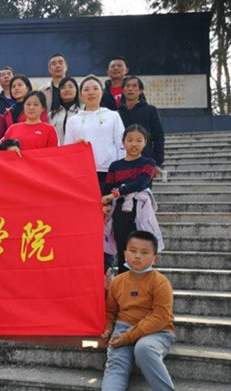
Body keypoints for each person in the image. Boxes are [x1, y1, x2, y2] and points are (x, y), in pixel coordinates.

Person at [100, 230, 179, 391]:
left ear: (154, 258)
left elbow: (160, 317)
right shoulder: (117, 282)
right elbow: (111, 312)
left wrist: (128, 337)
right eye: (133, 251)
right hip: (123, 328)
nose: (137, 256)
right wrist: (107, 328)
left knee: (144, 348)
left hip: (157, 332)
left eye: (144, 252)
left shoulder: (160, 282)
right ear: (125, 253)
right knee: (116, 363)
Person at [102, 125, 159, 275]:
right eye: (130, 140)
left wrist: (116, 193)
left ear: (145, 142)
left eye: (139, 140)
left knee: (141, 247)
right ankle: (123, 282)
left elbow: (141, 183)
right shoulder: (115, 166)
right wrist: (108, 203)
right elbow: (107, 188)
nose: (134, 144)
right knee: (123, 249)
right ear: (123, 142)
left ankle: (142, 282)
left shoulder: (148, 163)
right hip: (120, 212)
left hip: (139, 209)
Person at [64, 75, 125, 193]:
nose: (91, 93)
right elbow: (68, 150)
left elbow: (121, 145)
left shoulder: (113, 116)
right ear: (80, 96)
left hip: (108, 172)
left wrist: (120, 171)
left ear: (101, 92)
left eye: (95, 89)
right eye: (86, 90)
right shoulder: (73, 121)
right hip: (82, 173)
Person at [118, 76, 165, 172]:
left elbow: (158, 137)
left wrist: (158, 163)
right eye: (127, 86)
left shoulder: (150, 110)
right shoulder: (117, 114)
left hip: (145, 161)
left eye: (134, 86)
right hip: (122, 162)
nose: (130, 89)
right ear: (123, 90)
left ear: (140, 91)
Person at [49, 77, 81, 145]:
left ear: (77, 90)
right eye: (63, 87)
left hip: (77, 150)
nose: (67, 90)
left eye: (71, 87)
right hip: (58, 150)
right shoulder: (51, 115)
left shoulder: (82, 112)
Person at [40, 53, 68, 118]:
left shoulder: (77, 88)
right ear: (49, 69)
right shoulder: (42, 91)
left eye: (60, 63)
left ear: (66, 67)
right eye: (54, 64)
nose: (58, 66)